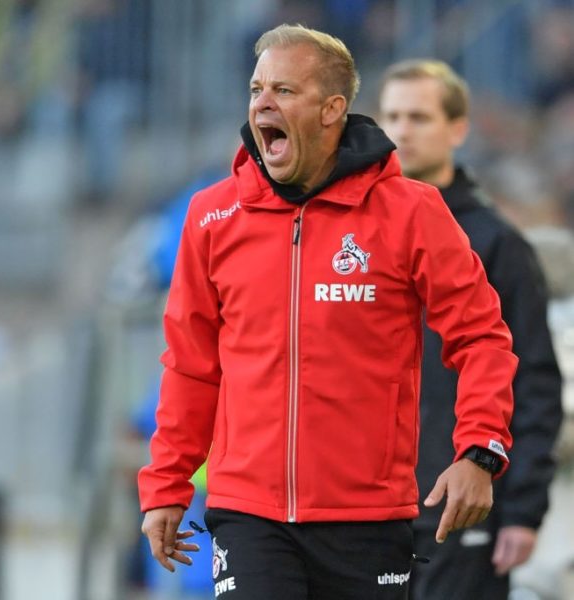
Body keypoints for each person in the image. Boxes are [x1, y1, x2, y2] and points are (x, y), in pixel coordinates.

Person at [137, 24, 518, 599]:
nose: (263, 103)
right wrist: (166, 485)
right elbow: (191, 365)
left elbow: (481, 336)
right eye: (256, 88)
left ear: (332, 108)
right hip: (248, 516)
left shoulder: (410, 212)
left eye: (285, 91)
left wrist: (480, 449)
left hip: (369, 517)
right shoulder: (212, 217)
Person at [378, 59, 563, 600]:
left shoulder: (497, 243)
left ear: (458, 129)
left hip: (462, 503)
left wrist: (523, 508)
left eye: (419, 116)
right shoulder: (356, 234)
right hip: (368, 504)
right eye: (391, 116)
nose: (402, 131)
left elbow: (533, 380)